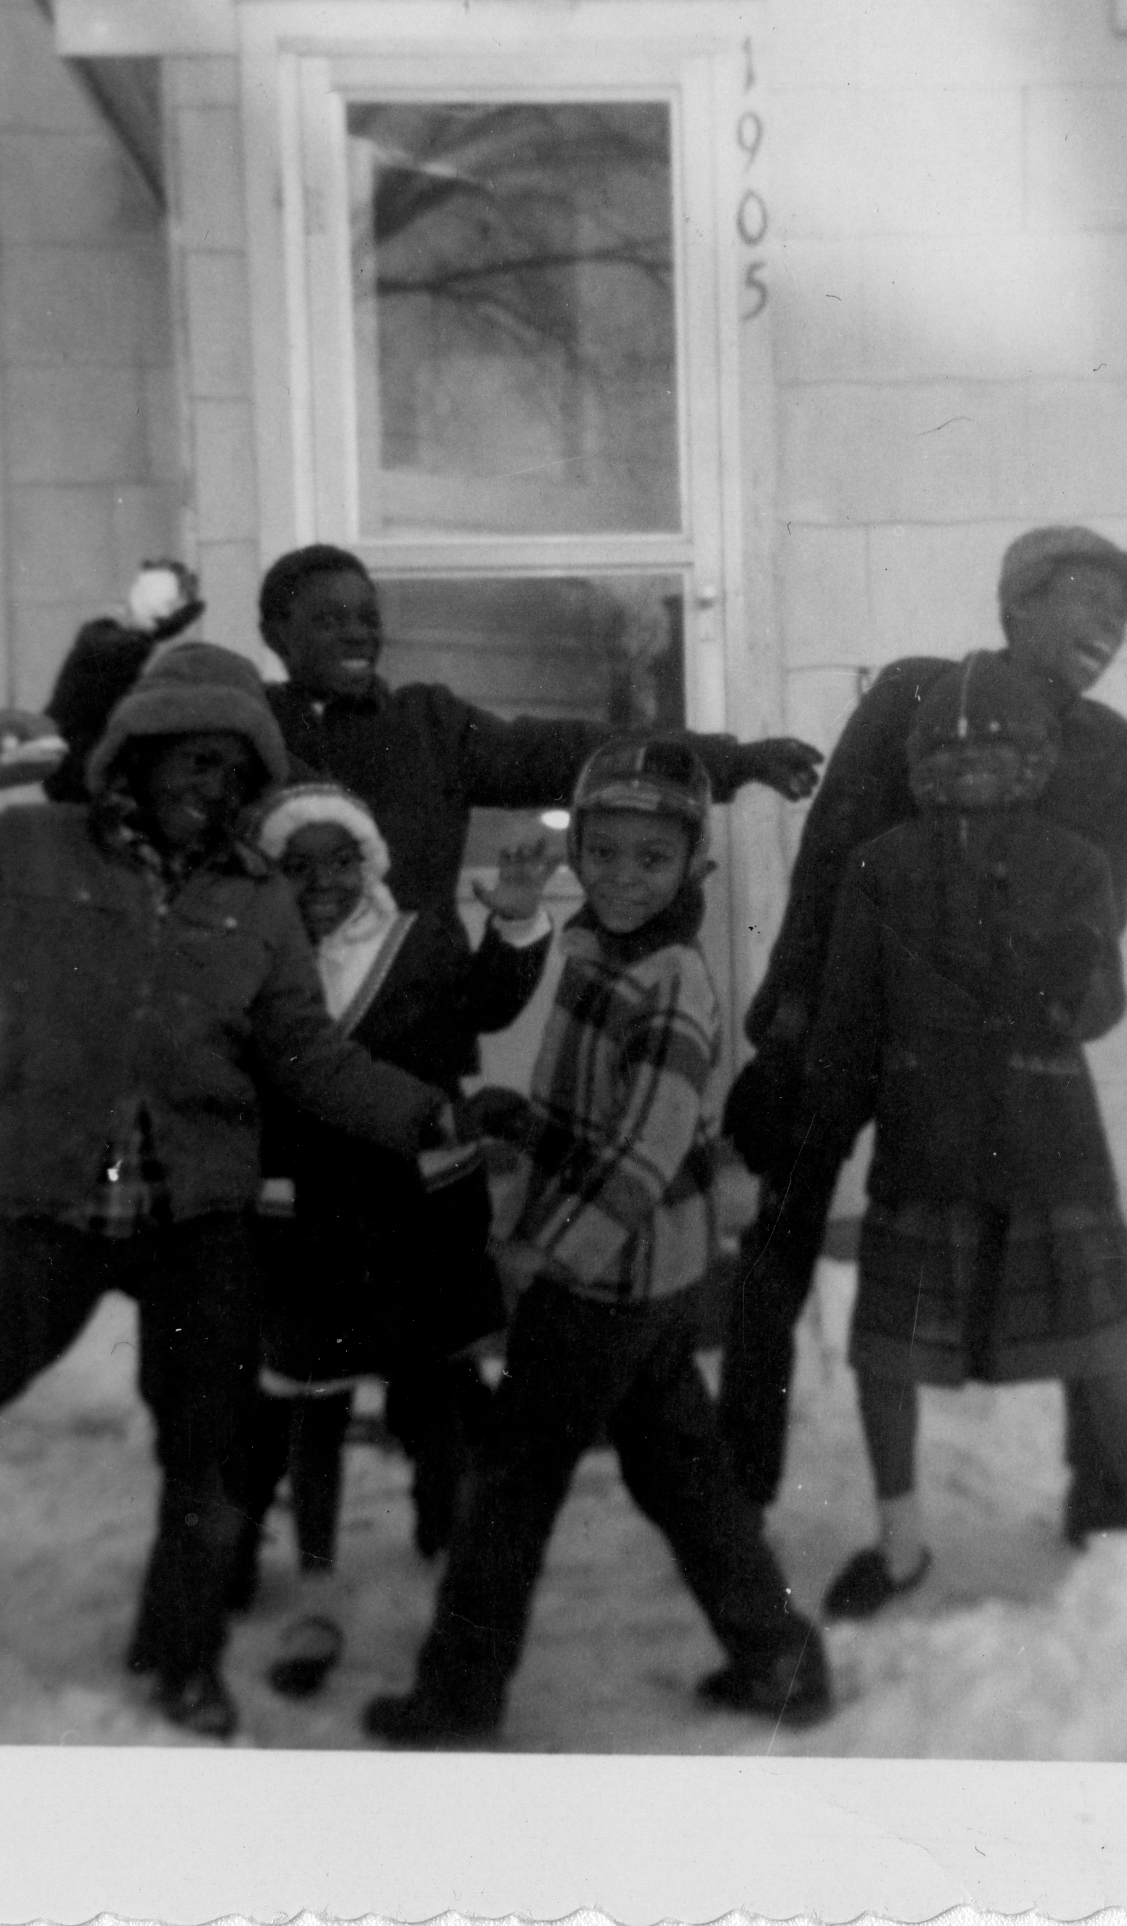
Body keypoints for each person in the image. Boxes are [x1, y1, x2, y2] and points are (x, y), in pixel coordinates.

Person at [39, 546, 824, 1540]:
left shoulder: (428, 725)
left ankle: (442, 1519)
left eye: (367, 614)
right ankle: (239, 1543)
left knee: (434, 1328)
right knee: (290, 1339)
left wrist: (728, 759)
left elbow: (572, 749)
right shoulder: (255, 738)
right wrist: (122, 644)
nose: (357, 632)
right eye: (328, 618)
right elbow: (85, 766)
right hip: (288, 1089)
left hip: (421, 1068)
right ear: (275, 634)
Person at [0, 646, 453, 1741]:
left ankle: (181, 1654)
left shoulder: (260, 901)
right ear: (133, 758)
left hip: (198, 1218)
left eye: (236, 769)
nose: (214, 785)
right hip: (53, 1208)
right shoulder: (23, 850)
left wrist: (426, 1111)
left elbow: (309, 1055)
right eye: (192, 758)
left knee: (210, 1449)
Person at [362, 738, 833, 1747]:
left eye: (649, 859)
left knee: (511, 1483)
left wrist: (548, 1252)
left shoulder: (674, 982)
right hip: (648, 1276)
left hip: (607, 1273)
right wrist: (523, 1124)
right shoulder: (592, 945)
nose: (622, 877)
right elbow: (590, 1110)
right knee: (678, 1468)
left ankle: (458, 1696)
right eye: (604, 852)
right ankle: (777, 1657)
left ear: (693, 867)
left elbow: (643, 1146)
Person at [717, 522, 1127, 1513]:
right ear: (1016, 603)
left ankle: (1105, 1493)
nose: (1110, 624)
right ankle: (735, 1485)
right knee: (778, 1238)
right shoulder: (913, 692)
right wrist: (787, 1030)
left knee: (1068, 1231)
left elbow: (1100, 911)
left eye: (1123, 613)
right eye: (1088, 596)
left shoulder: (1109, 749)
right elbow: (827, 863)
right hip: (850, 1012)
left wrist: (1048, 1007)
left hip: (989, 1044)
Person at [793, 653, 1127, 1618]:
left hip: (1047, 1138)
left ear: (1036, 760)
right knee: (888, 1351)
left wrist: (1067, 983)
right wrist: (820, 1108)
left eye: (995, 749)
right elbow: (846, 1012)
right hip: (928, 1138)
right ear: (918, 765)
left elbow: (1102, 1006)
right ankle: (903, 1540)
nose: (970, 768)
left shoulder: (1074, 862)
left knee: (1095, 1346)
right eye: (946, 752)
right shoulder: (883, 866)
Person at [232, 781, 557, 1698]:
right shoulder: (259, 957)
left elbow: (487, 1006)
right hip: (312, 1213)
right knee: (315, 1401)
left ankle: (455, 1566)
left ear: (371, 861)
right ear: (270, 877)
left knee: (441, 1380)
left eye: (342, 860)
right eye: (299, 867)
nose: (324, 882)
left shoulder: (422, 938)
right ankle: (319, 1590)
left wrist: (520, 923)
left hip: (421, 1201)